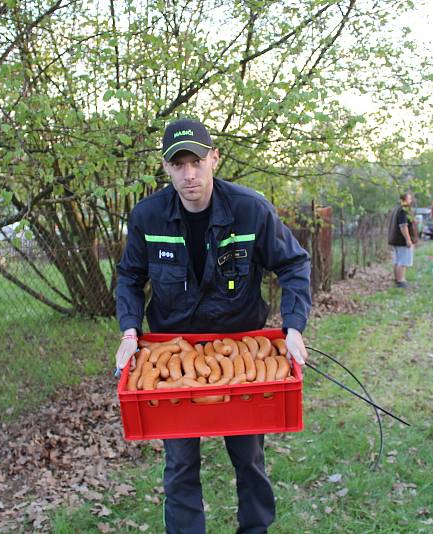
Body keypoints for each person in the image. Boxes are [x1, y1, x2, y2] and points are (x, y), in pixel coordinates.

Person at [115, 118, 312, 532]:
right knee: (180, 464)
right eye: (179, 164)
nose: (189, 175)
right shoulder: (148, 217)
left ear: (214, 159)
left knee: (249, 459)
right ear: (166, 168)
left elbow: (293, 263)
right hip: (173, 358)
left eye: (197, 162)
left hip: (242, 352)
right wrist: (130, 332)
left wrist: (294, 326)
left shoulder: (250, 209)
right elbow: (130, 277)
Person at [387, 192, 417, 288]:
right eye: (409, 198)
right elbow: (403, 226)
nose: (411, 200)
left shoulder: (396, 208)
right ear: (405, 199)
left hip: (395, 239)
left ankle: (397, 279)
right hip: (401, 240)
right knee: (403, 261)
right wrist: (408, 240)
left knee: (397, 260)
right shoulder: (403, 210)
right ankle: (401, 281)